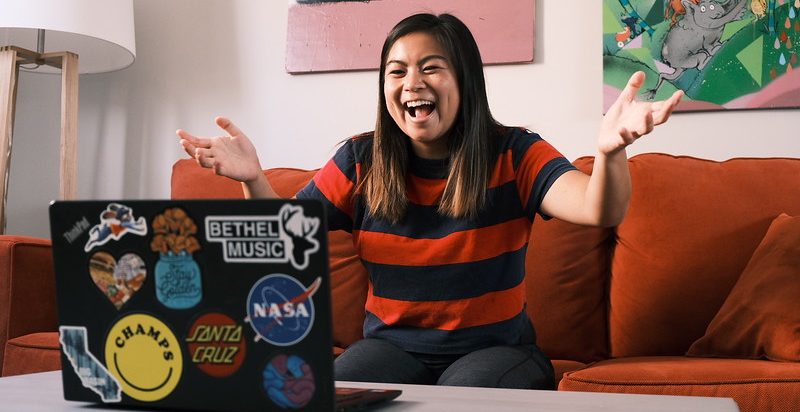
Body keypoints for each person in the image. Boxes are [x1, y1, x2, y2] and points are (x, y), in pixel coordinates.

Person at [177, 13, 682, 389]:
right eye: (396, 72)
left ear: (465, 80)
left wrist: (609, 152)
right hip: (389, 349)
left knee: (456, 399)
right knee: (324, 395)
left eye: (431, 68)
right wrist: (251, 178)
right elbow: (283, 239)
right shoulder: (359, 159)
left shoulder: (514, 152)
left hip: (497, 351)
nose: (412, 83)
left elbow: (600, 209)